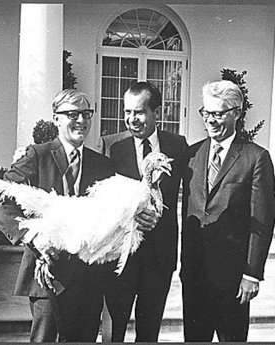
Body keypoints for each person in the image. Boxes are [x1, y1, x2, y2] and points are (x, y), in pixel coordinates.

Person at [0, 89, 116, 342]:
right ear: (56, 118)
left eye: (86, 114)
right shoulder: (37, 155)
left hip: (88, 278)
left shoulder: (102, 164)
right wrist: (32, 235)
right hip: (47, 274)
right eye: (72, 114)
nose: (81, 120)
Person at [181, 80, 275, 342]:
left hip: (233, 278)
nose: (210, 120)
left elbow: (262, 219)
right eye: (207, 113)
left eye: (218, 113)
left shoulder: (255, 157)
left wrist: (252, 273)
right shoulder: (191, 154)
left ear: (237, 112)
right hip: (195, 275)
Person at [104, 81, 188, 342]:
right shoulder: (113, 148)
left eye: (139, 112)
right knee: (114, 330)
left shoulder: (178, 146)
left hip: (160, 256)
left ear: (157, 113)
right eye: (127, 112)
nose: (132, 119)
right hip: (122, 255)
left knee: (149, 331)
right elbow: (103, 200)